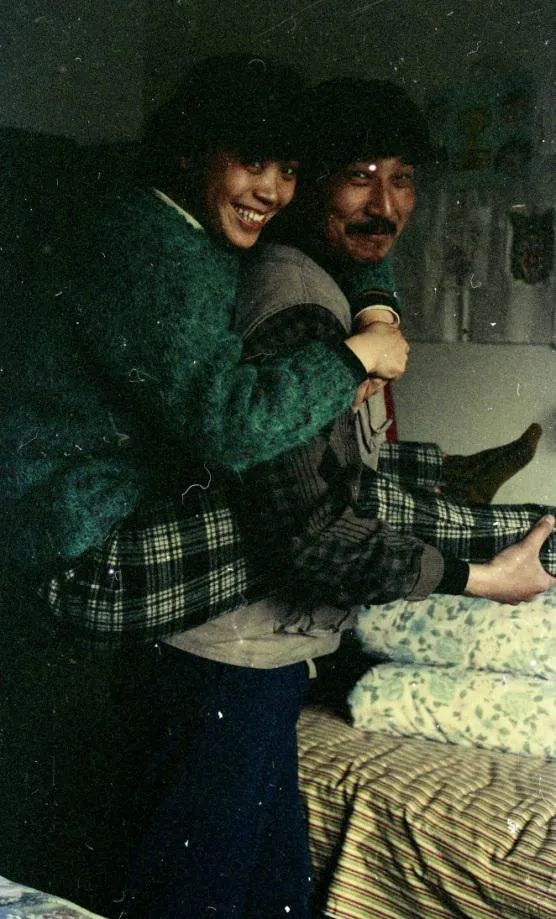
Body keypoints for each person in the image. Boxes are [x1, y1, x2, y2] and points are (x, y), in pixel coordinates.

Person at [1, 55, 404, 917]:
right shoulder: (144, 243)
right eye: (252, 162)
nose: (272, 191)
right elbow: (233, 422)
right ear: (191, 152)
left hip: (121, 504)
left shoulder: (198, 222)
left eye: (288, 170)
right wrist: (351, 358)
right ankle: (484, 561)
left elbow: (352, 240)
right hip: (77, 533)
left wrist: (379, 307)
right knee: (308, 521)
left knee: (329, 512)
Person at [230, 77, 555, 612]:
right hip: (254, 640)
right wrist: (481, 579)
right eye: (360, 176)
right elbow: (314, 538)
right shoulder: (301, 306)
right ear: (309, 182)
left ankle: (454, 473)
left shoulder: (335, 276)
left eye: (401, 179)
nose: (385, 205)